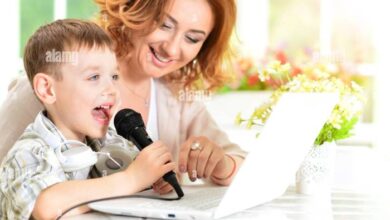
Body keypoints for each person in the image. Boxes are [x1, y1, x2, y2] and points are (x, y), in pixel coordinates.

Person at [0, 0, 246, 194]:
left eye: (192, 38)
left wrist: (222, 165)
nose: (171, 48)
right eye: (165, 25)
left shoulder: (177, 98)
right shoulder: (51, 90)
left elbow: (249, 168)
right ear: (134, 9)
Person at [0, 19, 176, 220]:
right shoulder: (27, 152)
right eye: (94, 77)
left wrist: (156, 176)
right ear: (47, 89)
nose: (112, 90)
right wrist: (130, 180)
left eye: (114, 77)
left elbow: (140, 173)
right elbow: (44, 206)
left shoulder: (108, 141)